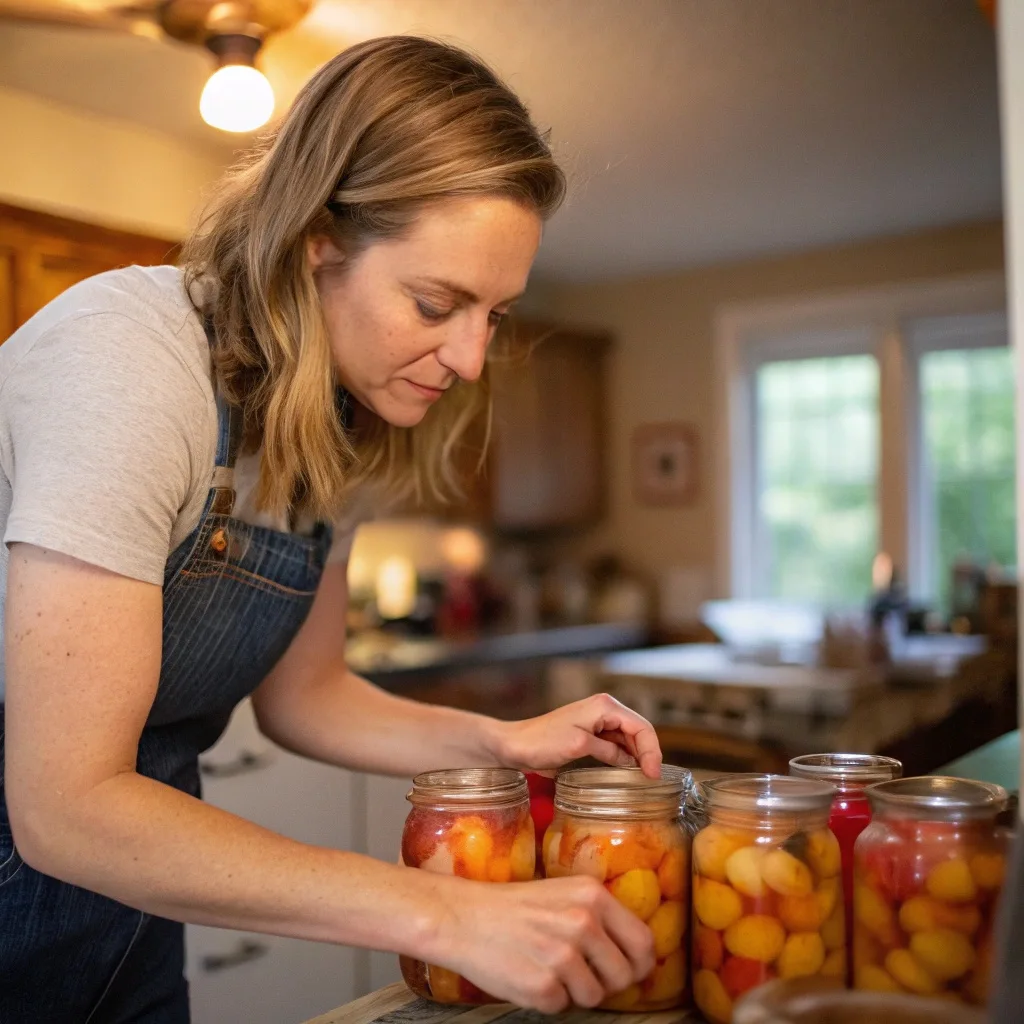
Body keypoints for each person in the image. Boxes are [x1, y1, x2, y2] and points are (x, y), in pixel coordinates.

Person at [0, 36, 663, 1024]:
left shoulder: (336, 429)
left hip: (124, 908)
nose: (472, 360)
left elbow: (306, 697)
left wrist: (501, 741)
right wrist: (438, 914)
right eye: (436, 303)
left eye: (494, 313)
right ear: (317, 240)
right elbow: (65, 806)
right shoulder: (132, 362)